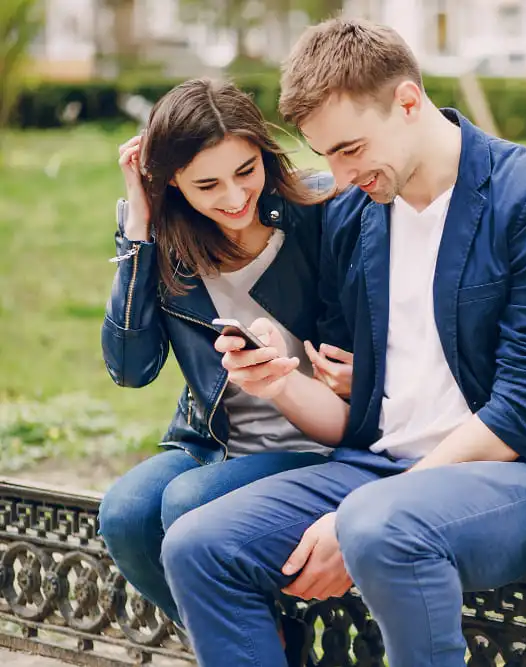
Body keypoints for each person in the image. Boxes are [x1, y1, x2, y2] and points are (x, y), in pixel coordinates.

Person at [160, 18, 526, 667]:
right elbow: (356, 419)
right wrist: (280, 378)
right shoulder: (357, 215)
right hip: (376, 468)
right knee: (196, 545)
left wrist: (363, 508)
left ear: (409, 102)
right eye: (325, 154)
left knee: (380, 527)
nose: (340, 175)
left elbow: (521, 416)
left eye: (350, 149)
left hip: (516, 477)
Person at [98, 78, 353, 626]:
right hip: (215, 442)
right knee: (124, 514)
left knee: (189, 503)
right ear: (173, 185)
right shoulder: (165, 245)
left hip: (320, 442)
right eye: (207, 184)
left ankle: (246, 641)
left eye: (246, 171)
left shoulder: (323, 211)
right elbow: (130, 368)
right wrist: (137, 233)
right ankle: (254, 642)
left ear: (264, 153)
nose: (235, 198)